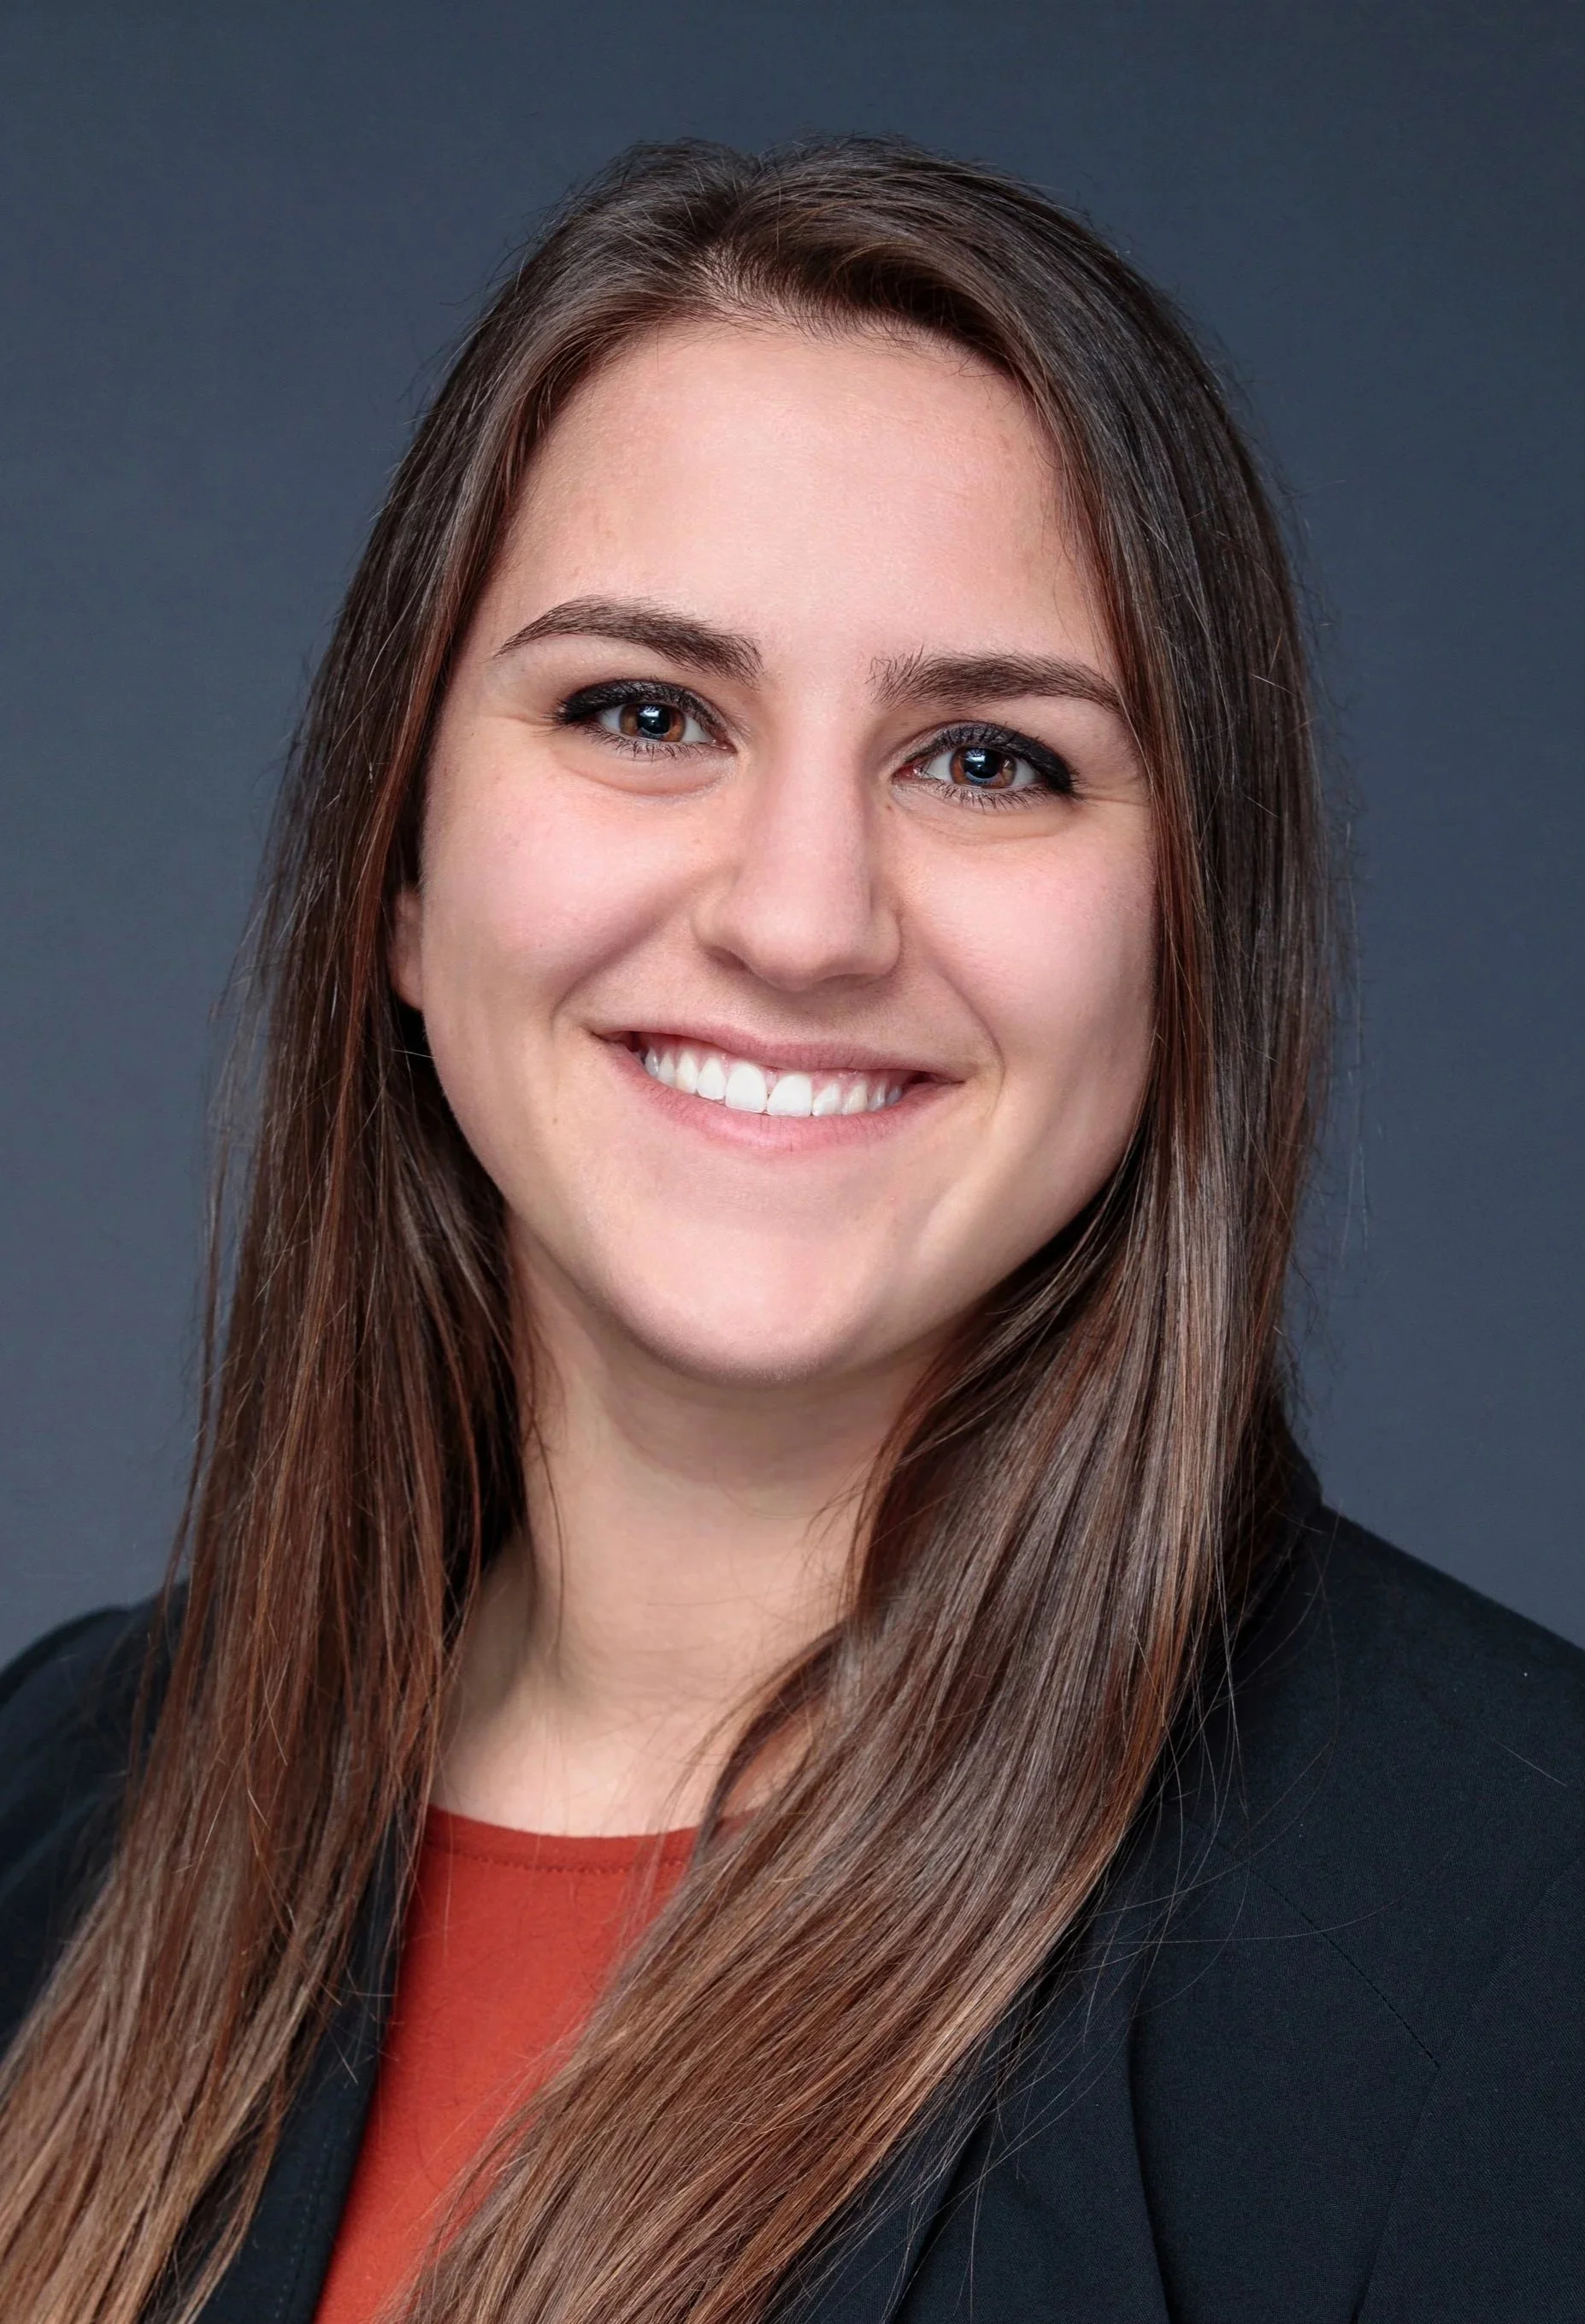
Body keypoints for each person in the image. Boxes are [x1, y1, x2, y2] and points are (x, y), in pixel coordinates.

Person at [0, 135, 1580, 2324]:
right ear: (403, 882)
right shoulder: (53, 1801)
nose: (802, 918)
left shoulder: (1516, 1927)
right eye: (644, 715)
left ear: (1187, 935)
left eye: (991, 760)